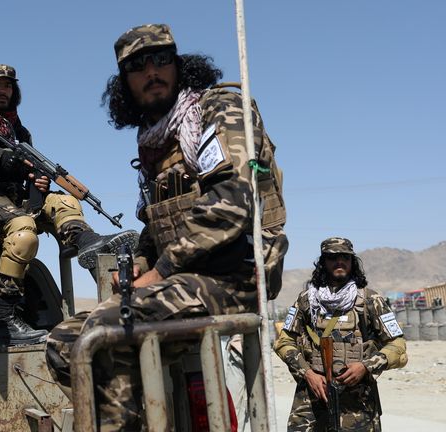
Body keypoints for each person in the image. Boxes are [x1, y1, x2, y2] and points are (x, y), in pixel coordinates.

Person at [45, 24, 288, 430]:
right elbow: (154, 221)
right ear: (124, 83)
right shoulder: (154, 142)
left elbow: (232, 201)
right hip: (188, 278)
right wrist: (142, 260)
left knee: (108, 328)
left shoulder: (218, 109)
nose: (151, 71)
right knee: (64, 344)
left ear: (179, 66)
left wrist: (160, 270)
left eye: (161, 59)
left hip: (238, 275)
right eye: (137, 65)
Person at [0, 64, 139, 346]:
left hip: (19, 200)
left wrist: (39, 183)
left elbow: (28, 173)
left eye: (8, 86)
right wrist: (0, 157)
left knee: (64, 200)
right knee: (23, 231)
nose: (3, 91)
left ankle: (85, 239)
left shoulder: (18, 130)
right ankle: (7, 318)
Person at [275, 237, 407, 431]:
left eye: (345, 257)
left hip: (357, 402)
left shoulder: (371, 300)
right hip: (312, 398)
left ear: (352, 262)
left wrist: (366, 366)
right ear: (323, 262)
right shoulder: (306, 301)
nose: (339, 262)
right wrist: (308, 373)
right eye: (332, 257)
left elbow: (398, 345)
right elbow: (284, 342)